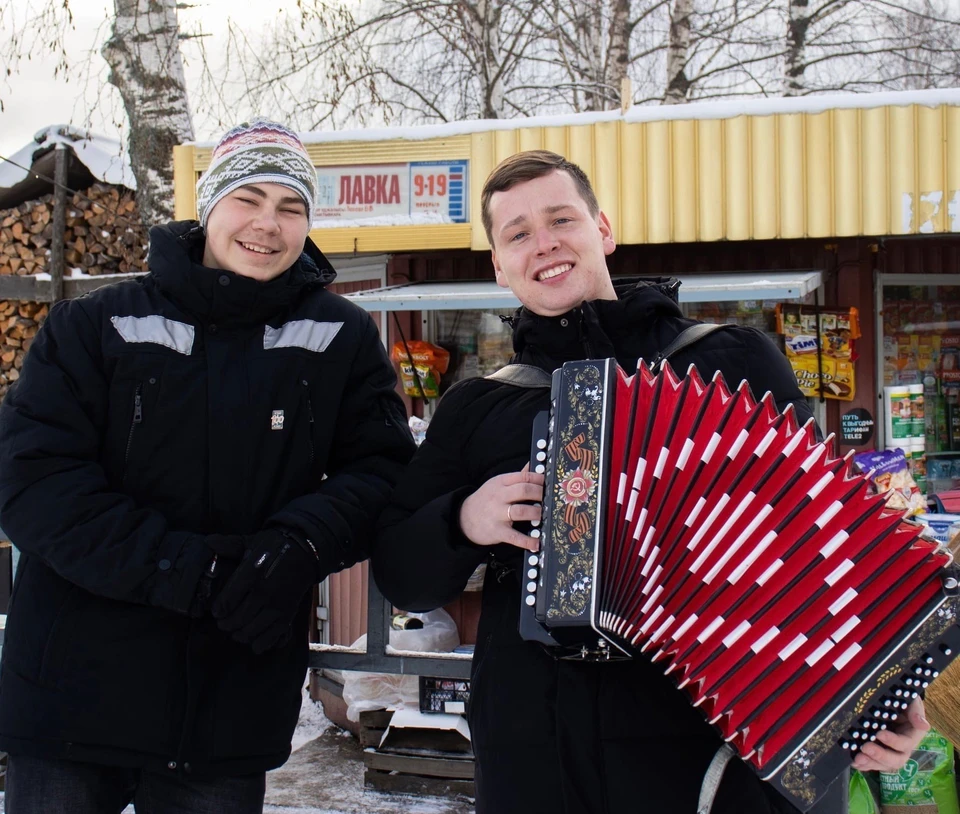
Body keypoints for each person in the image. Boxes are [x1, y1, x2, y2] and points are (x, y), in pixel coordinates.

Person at [373, 150, 928, 813]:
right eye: (517, 233)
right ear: (499, 264)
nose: (544, 243)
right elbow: (401, 573)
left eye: (561, 219)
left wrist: (881, 688)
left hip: (707, 734)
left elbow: (821, 532)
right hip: (537, 745)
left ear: (602, 230)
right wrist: (463, 519)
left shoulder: (730, 360)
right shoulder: (476, 407)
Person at [0, 120, 415, 814]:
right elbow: (32, 477)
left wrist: (297, 545)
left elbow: (380, 473)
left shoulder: (340, 338)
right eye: (247, 199)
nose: (268, 224)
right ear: (208, 205)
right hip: (72, 696)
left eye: (291, 207)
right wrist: (189, 571)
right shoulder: (95, 324)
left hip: (226, 701)